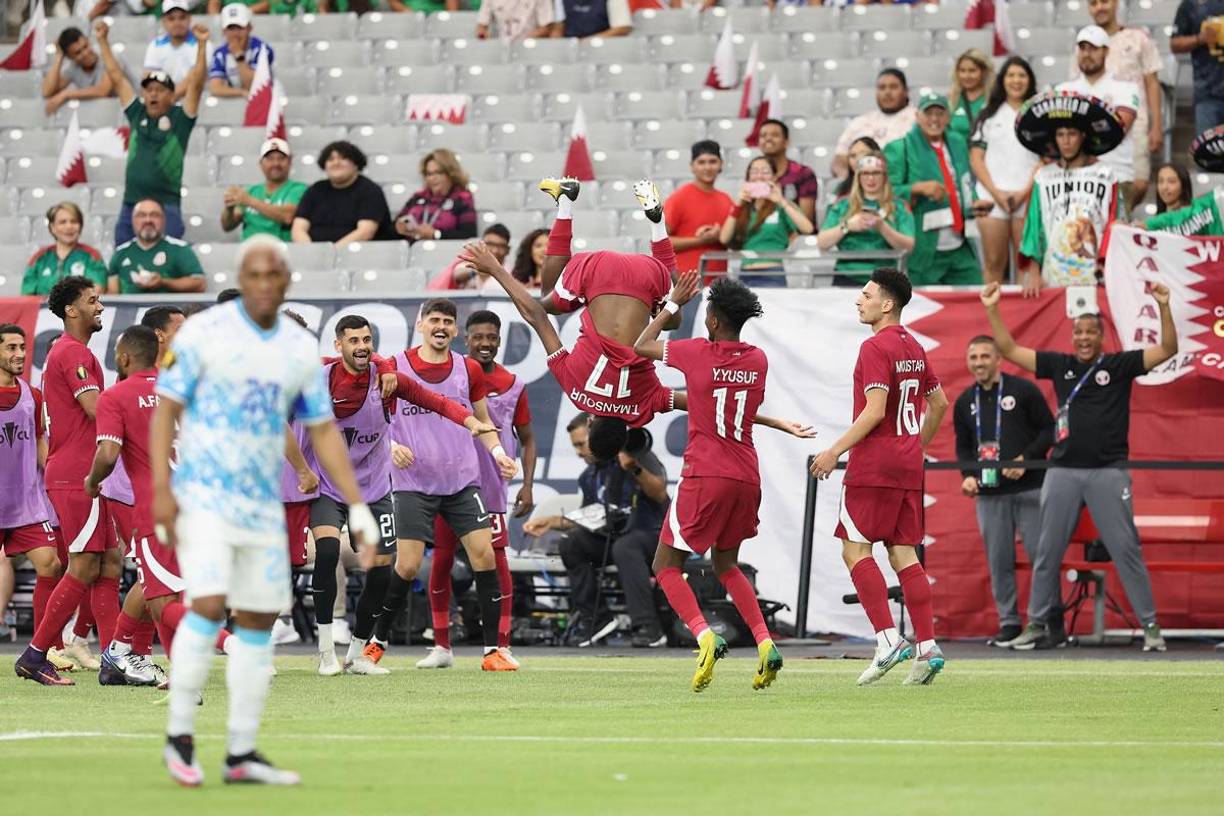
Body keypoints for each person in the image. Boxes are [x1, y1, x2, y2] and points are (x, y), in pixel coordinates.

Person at [150, 235, 380, 786]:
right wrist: (161, 486)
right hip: (204, 495)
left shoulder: (298, 350)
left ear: (285, 281)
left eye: (272, 274)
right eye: (252, 274)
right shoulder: (204, 334)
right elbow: (166, 409)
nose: (263, 283)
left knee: (256, 619)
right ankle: (180, 736)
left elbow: (322, 430)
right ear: (241, 277)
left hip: (261, 505)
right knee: (207, 605)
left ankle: (240, 751)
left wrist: (356, 503)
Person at [462, 178, 813, 451]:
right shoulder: (574, 391)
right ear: (591, 424)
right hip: (596, 270)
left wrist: (775, 422)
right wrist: (495, 268)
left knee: (673, 316)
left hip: (651, 273)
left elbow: (707, 404)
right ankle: (566, 202)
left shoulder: (645, 407)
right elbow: (537, 315)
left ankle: (658, 230)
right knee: (547, 297)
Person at [981, 281, 1177, 652]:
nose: (1084, 338)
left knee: (1125, 549)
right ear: (1073, 336)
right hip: (1062, 472)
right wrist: (992, 307)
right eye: (1079, 332)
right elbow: (1007, 349)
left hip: (1108, 471)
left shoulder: (1119, 365)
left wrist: (1164, 305)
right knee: (1047, 551)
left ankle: (1151, 626)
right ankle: (1037, 623)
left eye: (1091, 332)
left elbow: (1168, 349)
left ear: (1102, 337)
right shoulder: (1060, 365)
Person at [306, 314, 492, 677]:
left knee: (381, 571)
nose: (362, 347)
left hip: (374, 489)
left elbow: (436, 401)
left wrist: (472, 423)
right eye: (353, 341)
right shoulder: (321, 379)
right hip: (330, 485)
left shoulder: (387, 381)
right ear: (338, 345)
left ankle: (358, 654)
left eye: (366, 340)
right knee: (327, 552)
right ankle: (325, 650)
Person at [635, 274, 793, 691]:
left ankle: (705, 637)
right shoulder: (757, 359)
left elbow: (641, 346)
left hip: (705, 473)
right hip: (746, 475)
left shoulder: (696, 353)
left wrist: (671, 303)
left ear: (714, 320)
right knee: (726, 564)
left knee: (665, 565)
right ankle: (764, 643)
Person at [809, 268, 950, 686]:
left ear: (887, 304)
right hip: (907, 464)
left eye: (866, 294)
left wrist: (834, 451)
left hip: (875, 465)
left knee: (855, 550)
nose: (859, 299)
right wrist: (914, 446)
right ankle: (927, 647)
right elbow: (939, 404)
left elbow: (873, 411)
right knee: (904, 553)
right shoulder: (915, 346)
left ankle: (888, 639)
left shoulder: (875, 347)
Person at [363, 299, 519, 673]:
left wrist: (497, 453)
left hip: (462, 480)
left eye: (448, 321)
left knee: (484, 556)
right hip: (413, 483)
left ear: (454, 330)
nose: (441, 326)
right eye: (434, 319)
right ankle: (376, 641)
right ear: (420, 325)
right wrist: (391, 446)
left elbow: (481, 421)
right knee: (408, 564)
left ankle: (492, 651)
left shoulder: (467, 369)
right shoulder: (394, 368)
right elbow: (372, 420)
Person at [14, 278, 121, 687]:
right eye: (92, 300)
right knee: (83, 564)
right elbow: (96, 409)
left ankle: (116, 657)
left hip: (90, 472)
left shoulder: (72, 352)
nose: (100, 306)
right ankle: (36, 653)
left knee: (109, 560)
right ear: (71, 310)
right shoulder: (73, 353)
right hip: (80, 475)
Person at [426, 310, 539, 664]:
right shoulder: (450, 375)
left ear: (500, 340)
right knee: (441, 561)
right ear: (466, 338)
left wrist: (528, 485)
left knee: (496, 563)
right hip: (451, 480)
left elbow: (528, 438)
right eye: (479, 337)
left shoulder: (513, 383)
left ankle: (501, 644)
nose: (486, 343)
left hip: (489, 487)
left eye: (492, 337)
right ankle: (442, 646)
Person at [952, 335, 1053, 647]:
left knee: (1042, 557)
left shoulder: (1022, 390)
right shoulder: (964, 401)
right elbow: (964, 447)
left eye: (985, 356)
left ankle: (1046, 621)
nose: (979, 362)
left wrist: (1026, 460)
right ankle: (1009, 622)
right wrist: (968, 475)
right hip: (990, 493)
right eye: (974, 357)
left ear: (999, 359)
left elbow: (1050, 429)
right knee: (999, 561)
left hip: (1031, 489)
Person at [550, 415, 669, 648]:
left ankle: (648, 627)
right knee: (571, 543)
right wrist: (554, 522)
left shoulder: (635, 452)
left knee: (625, 546)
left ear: (598, 438)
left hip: (652, 535)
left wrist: (634, 468)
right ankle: (597, 621)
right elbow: (590, 519)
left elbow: (660, 494)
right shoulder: (589, 477)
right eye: (574, 445)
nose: (578, 452)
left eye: (581, 444)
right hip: (615, 536)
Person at [95, 18, 207, 245]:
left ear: (172, 95)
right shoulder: (137, 113)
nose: (153, 95)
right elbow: (117, 77)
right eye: (149, 90)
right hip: (131, 205)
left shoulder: (181, 119)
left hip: (167, 205)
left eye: (160, 90)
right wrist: (102, 41)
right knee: (123, 261)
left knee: (168, 261)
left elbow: (196, 83)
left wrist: (202, 45)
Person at [1016, 90, 1125, 292]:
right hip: (1053, 274)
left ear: (1083, 136)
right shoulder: (1043, 176)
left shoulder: (1106, 175)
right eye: (1060, 134)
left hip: (1096, 273)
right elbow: (1034, 226)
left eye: (1072, 134)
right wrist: (1033, 270)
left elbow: (1115, 223)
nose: (1066, 141)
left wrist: (1107, 264)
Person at [0, 325, 62, 680]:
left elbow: (40, 442)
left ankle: (39, 651)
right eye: (11, 347)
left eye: (22, 347)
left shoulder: (32, 395)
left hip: (25, 502)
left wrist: (57, 479)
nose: (20, 354)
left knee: (50, 565)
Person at [884, 93, 985, 286]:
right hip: (924, 248)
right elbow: (887, 193)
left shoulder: (956, 142)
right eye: (928, 113)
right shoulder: (900, 148)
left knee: (974, 300)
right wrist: (917, 188)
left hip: (960, 243)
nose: (934, 119)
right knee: (921, 306)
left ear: (948, 117)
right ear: (917, 116)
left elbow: (965, 182)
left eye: (940, 113)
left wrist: (974, 202)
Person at [1072, 0, 1163, 209]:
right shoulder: (1081, 48)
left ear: (1116, 3)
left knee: (1138, 183)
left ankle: (1121, 216)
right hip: (1093, 129)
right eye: (1093, 4)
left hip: (1136, 125)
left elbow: (1152, 81)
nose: (1099, 8)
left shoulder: (1138, 38)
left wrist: (1156, 125)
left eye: (1104, 1)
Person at [969, 56, 1041, 285]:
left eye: (1022, 75)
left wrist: (1023, 193)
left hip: (1028, 198)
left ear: (1030, 80)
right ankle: (990, 318)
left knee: (1025, 264)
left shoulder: (1039, 113)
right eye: (1011, 75)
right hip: (992, 199)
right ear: (1002, 80)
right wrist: (997, 194)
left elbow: (1045, 159)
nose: (1016, 80)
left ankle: (1023, 319)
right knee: (993, 263)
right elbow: (976, 157)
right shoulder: (988, 114)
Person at [1058, 26, 1142, 208]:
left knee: (1115, 235)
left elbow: (1117, 129)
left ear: (1106, 51)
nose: (1087, 54)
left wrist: (1077, 130)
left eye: (1093, 48)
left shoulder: (1126, 87)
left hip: (1116, 175)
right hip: (1071, 178)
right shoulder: (1062, 90)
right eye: (1082, 48)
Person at [816, 152, 915, 287]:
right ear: (858, 177)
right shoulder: (843, 204)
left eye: (876, 173)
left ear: (884, 176)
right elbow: (822, 243)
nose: (870, 178)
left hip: (886, 279)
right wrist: (847, 226)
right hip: (846, 277)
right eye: (865, 173)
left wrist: (882, 227)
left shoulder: (899, 206)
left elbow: (908, 247)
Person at [718, 156, 816, 288]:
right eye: (754, 172)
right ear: (747, 178)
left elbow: (807, 228)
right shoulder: (741, 208)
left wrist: (781, 201)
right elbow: (724, 238)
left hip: (773, 273)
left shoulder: (782, 206)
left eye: (765, 172)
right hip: (745, 273)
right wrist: (738, 204)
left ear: (774, 178)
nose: (759, 176)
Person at [292, 141, 396, 246]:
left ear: (356, 164)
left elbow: (365, 232)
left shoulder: (370, 191)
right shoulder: (315, 190)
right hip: (315, 254)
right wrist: (311, 251)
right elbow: (298, 228)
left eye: (343, 158)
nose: (336, 163)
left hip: (358, 255)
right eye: (330, 159)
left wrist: (330, 253)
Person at [665, 140, 735, 282]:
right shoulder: (679, 198)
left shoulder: (726, 200)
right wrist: (700, 240)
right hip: (684, 285)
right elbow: (660, 243)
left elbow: (735, 241)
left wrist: (721, 236)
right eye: (701, 162)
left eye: (712, 161)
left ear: (721, 164)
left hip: (717, 285)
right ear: (692, 166)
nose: (707, 167)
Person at [832, 68, 916, 180]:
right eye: (882, 88)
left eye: (893, 87)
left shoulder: (918, 120)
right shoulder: (861, 121)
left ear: (906, 91)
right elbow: (839, 158)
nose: (887, 92)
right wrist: (849, 180)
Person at [108, 199, 205, 294]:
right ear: (132, 220)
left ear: (164, 220)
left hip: (167, 309)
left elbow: (200, 284)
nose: (148, 220)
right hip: (128, 309)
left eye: (154, 215)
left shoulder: (180, 249)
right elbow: (112, 295)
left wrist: (163, 282)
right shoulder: (120, 253)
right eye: (141, 215)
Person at [221, 139, 307, 242]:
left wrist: (250, 201)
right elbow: (227, 226)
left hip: (281, 252)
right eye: (270, 159)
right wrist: (229, 208)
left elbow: (287, 216)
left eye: (281, 158)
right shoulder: (251, 191)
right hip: (249, 252)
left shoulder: (298, 189)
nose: (276, 163)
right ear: (261, 164)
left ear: (289, 163)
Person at [22, 203, 108, 296]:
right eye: (62, 222)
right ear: (52, 227)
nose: (69, 226)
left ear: (80, 226)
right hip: (44, 310)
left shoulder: (92, 256)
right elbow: (27, 295)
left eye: (74, 221)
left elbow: (97, 291)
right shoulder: (39, 258)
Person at [394, 149, 478, 244]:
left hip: (445, 253)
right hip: (414, 252)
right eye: (428, 174)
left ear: (450, 173)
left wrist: (435, 234)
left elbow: (468, 235)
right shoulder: (418, 197)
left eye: (438, 172)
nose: (432, 178)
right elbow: (395, 225)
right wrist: (399, 228)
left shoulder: (463, 198)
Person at [42, 26, 129, 115]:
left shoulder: (109, 56)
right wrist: (59, 56)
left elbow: (103, 91)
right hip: (103, 116)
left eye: (86, 46)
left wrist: (66, 94)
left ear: (88, 41)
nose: (85, 53)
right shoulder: (73, 67)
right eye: (78, 52)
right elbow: (47, 92)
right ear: (68, 57)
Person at [1138, 151, 1224, 236]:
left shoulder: (1199, 209)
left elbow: (1186, 218)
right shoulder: (1153, 219)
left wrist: (1150, 225)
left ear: (1184, 185)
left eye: (1171, 182)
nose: (1164, 187)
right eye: (1160, 181)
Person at [1171, 0, 1224, 137]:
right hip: (1207, 94)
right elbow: (1174, 44)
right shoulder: (1190, 5)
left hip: (1206, 94)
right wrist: (1200, 38)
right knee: (1208, 152)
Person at [756, 120, 819, 224]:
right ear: (758, 143)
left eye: (775, 135)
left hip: (794, 235)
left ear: (786, 142)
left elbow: (806, 219)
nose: (768, 139)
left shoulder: (803, 173)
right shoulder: (756, 176)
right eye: (763, 136)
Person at [206, 4, 274, 98]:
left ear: (249, 28)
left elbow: (253, 85)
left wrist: (239, 56)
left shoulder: (262, 49)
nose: (235, 34)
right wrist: (241, 93)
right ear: (224, 31)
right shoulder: (220, 53)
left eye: (240, 28)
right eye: (231, 28)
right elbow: (215, 88)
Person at [143, 0, 205, 100]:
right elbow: (149, 78)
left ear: (190, 19)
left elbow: (195, 77)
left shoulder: (201, 43)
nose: (177, 23)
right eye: (171, 19)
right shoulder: (155, 45)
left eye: (182, 18)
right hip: (162, 99)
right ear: (163, 21)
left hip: (193, 99)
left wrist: (168, 99)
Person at [440, 224, 512, 290]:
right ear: (481, 244)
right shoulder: (471, 262)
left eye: (501, 246)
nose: (495, 250)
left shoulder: (512, 273)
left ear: (508, 250)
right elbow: (457, 275)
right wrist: (478, 269)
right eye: (490, 244)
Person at [948, 48, 994, 144]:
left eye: (972, 71)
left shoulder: (993, 99)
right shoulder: (951, 100)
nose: (967, 76)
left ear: (983, 71)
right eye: (962, 71)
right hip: (959, 157)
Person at [476, 0, 554, 39]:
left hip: (530, 46)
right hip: (500, 46)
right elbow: (482, 25)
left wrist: (524, 40)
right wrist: (483, 34)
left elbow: (546, 27)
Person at [551, 0, 632, 38]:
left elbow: (623, 28)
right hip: (571, 49)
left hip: (603, 46)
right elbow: (559, 27)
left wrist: (588, 42)